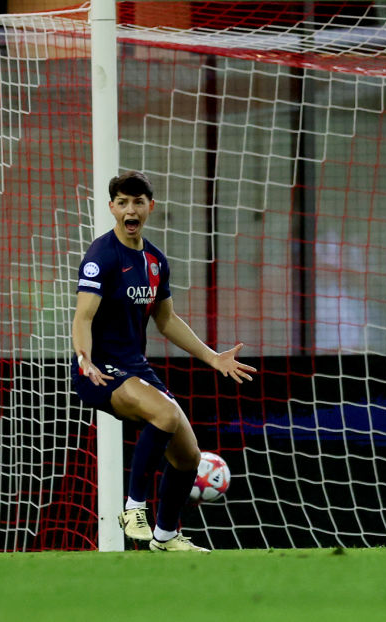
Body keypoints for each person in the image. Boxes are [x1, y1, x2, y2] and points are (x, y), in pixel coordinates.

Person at [72, 171, 256, 552]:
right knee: (167, 415)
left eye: (138, 202)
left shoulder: (155, 261)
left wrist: (211, 356)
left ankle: (166, 537)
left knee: (188, 457)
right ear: (112, 208)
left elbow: (166, 319)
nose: (130, 209)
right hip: (99, 370)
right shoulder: (102, 256)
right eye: (122, 202)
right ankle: (134, 508)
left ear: (149, 207)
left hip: (134, 368)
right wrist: (84, 358)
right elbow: (83, 317)